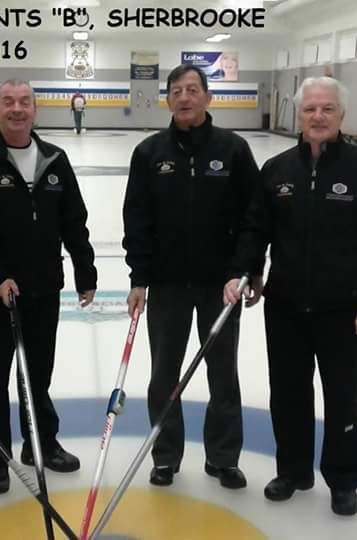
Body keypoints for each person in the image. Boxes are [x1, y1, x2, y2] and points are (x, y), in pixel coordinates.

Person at [224, 77, 357, 516]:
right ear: (298, 116)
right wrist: (246, 272)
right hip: (286, 307)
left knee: (342, 396)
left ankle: (342, 479)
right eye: (309, 109)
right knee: (287, 394)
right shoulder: (277, 169)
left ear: (341, 115)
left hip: (343, 309)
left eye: (327, 109)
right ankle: (293, 471)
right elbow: (255, 230)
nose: (318, 116)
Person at [123, 64, 262, 489]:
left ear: (207, 97)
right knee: (164, 375)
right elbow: (137, 220)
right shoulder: (149, 153)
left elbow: (254, 218)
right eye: (176, 91)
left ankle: (223, 458)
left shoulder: (234, 150)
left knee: (223, 375)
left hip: (221, 287)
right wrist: (139, 279)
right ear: (167, 99)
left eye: (192, 89)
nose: (184, 97)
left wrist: (246, 271)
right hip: (167, 286)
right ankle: (165, 456)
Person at [0, 79, 97, 494]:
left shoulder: (54, 159)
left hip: (43, 288)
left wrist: (85, 272)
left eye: (24, 102)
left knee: (38, 375)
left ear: (35, 110)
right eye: (8, 102)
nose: (16, 109)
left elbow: (74, 220)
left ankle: (41, 444)